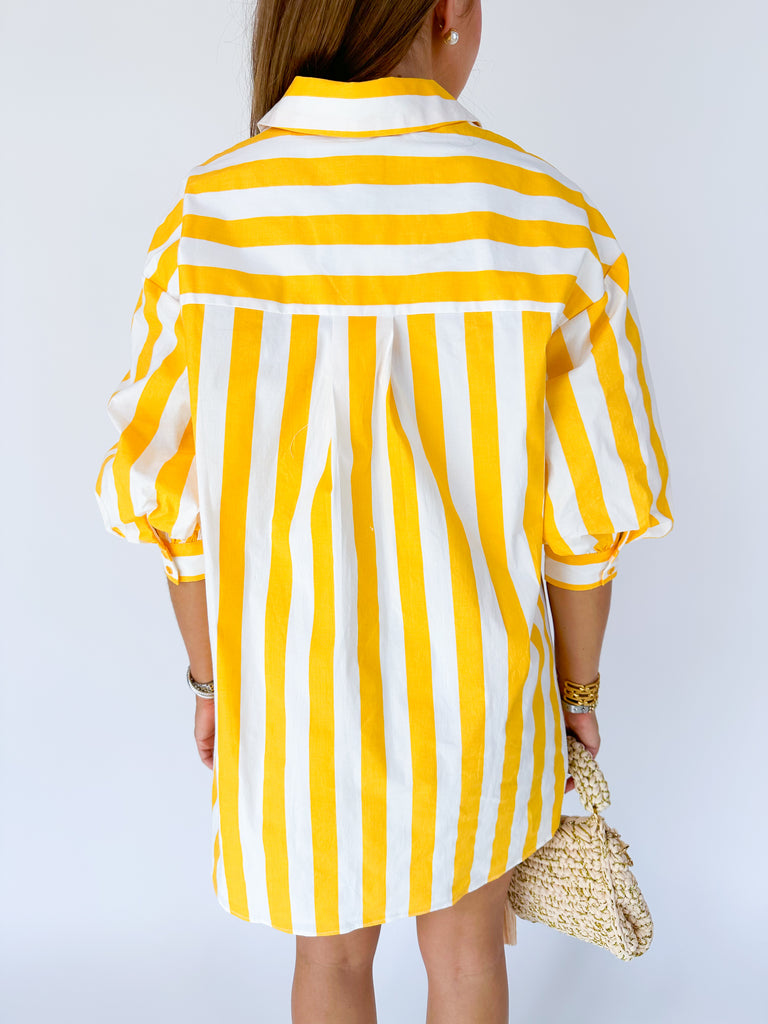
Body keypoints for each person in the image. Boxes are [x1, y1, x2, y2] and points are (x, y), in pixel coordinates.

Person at [93, 0, 674, 1020]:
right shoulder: (544, 216)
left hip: (290, 692)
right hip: (481, 688)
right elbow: (589, 517)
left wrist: (213, 680)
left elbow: (172, 503)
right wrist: (577, 693)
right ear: (448, 12)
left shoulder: (211, 214)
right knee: (467, 960)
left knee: (329, 963)